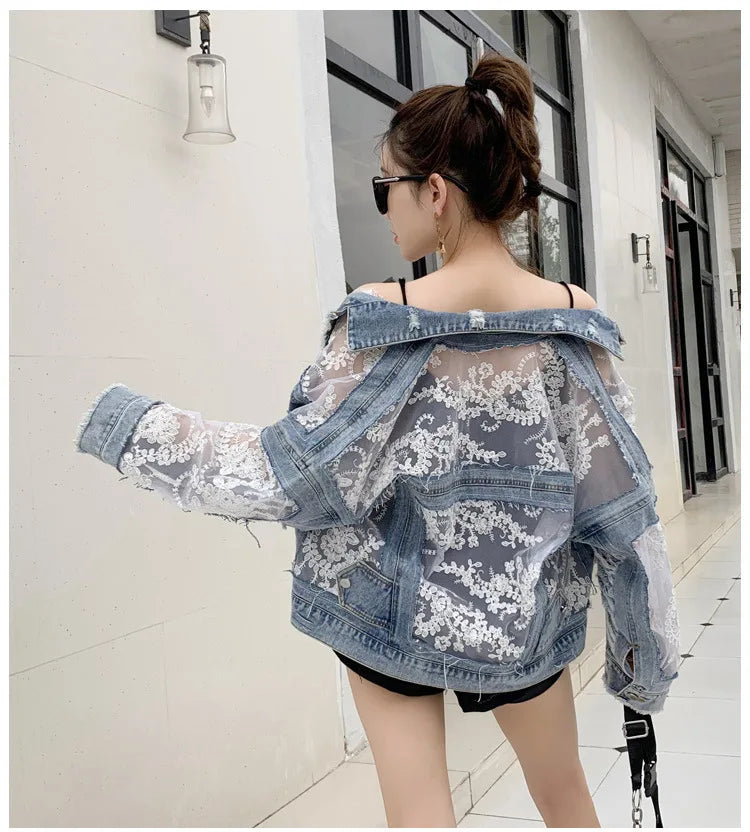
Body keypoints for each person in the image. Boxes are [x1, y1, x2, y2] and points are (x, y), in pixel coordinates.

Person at [76, 51, 678, 829]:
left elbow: (292, 474)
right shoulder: (573, 316)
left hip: (389, 614)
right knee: (566, 799)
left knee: (419, 813)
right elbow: (621, 508)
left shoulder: (382, 317)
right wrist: (641, 667)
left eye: (385, 185)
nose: (383, 206)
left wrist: (128, 424)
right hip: (522, 616)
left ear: (436, 191)